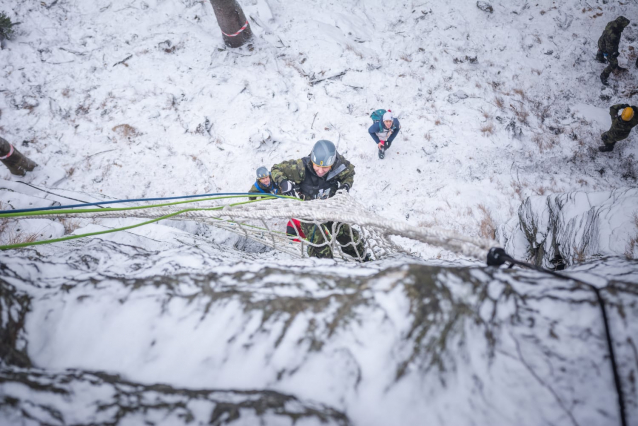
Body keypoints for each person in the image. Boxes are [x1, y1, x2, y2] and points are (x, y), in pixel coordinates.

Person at [271, 140, 368, 260]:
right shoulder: (300, 168)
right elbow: (276, 169)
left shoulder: (339, 165)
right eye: (317, 166)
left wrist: (345, 186)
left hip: (330, 208)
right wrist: (284, 183)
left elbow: (349, 174)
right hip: (308, 213)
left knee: (347, 235)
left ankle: (363, 259)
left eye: (325, 167)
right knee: (321, 240)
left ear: (332, 164)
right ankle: (323, 267)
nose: (321, 171)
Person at [596, 16, 631, 85]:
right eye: (624, 25)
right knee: (613, 63)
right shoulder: (613, 35)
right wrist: (614, 53)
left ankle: (599, 57)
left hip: (601, 41)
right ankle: (603, 75)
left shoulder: (612, 23)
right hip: (606, 47)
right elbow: (610, 49)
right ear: (620, 25)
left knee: (601, 48)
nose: (624, 27)